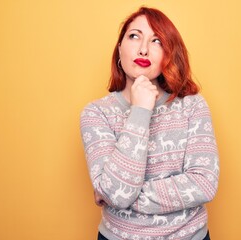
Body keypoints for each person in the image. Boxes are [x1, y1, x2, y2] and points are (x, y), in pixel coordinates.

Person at [80, 7, 219, 240]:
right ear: (119, 49)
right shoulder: (96, 114)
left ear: (168, 54)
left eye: (156, 41)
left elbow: (204, 184)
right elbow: (116, 194)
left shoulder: (192, 106)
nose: (143, 48)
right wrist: (140, 110)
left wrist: (120, 195)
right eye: (134, 36)